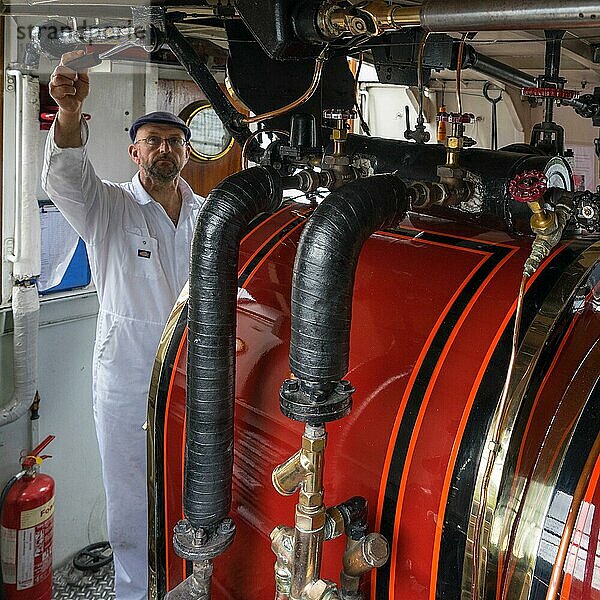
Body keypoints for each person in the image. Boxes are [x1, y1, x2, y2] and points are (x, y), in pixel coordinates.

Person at [41, 50, 204, 600]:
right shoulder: (106, 207)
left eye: (173, 141)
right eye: (152, 140)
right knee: (131, 496)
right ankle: (136, 592)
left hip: (194, 374)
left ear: (186, 151)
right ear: (133, 151)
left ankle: (189, 583)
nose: (163, 149)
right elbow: (66, 177)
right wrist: (67, 112)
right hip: (128, 376)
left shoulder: (207, 214)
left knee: (191, 483)